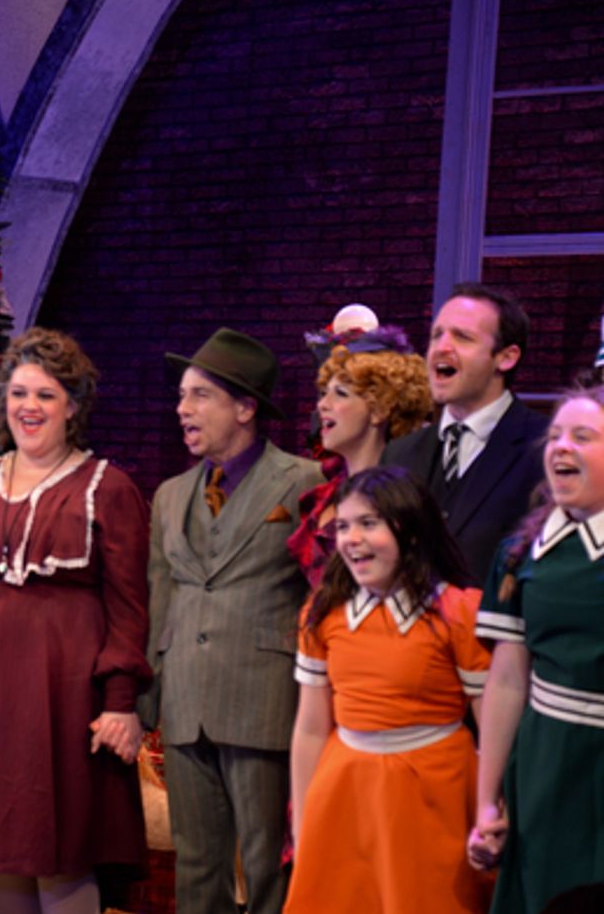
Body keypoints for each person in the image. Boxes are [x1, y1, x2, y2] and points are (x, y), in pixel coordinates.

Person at [0, 327, 151, 914]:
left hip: (61, 696)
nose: (29, 407)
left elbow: (129, 605)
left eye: (45, 395)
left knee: (60, 851)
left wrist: (120, 699)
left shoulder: (106, 488)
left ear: (73, 406)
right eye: (18, 393)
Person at [141, 327, 321, 914]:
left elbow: (318, 595)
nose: (182, 410)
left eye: (200, 396)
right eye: (181, 396)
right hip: (187, 702)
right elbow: (160, 597)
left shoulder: (301, 482)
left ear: (245, 408)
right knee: (196, 862)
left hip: (263, 700)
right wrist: (150, 696)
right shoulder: (170, 494)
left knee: (269, 861)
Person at [285, 466, 492, 913]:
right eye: (342, 525)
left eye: (368, 523)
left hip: (433, 791)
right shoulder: (322, 615)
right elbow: (309, 727)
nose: (351, 538)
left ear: (411, 531)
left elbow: (493, 726)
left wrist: (493, 807)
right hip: (344, 788)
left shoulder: (458, 613)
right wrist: (303, 820)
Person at [469, 386, 604, 913]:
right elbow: (505, 682)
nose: (560, 447)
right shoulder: (520, 552)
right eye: (553, 436)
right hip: (547, 763)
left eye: (583, 436)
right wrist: (486, 801)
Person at [383, 283, 548, 586]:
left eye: (462, 337)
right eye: (437, 335)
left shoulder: (546, 448)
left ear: (506, 357)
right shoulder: (398, 454)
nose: (441, 347)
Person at [288, 317, 432, 586]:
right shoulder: (324, 493)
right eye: (323, 393)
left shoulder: (403, 497)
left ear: (379, 409)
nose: (323, 405)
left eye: (340, 394)